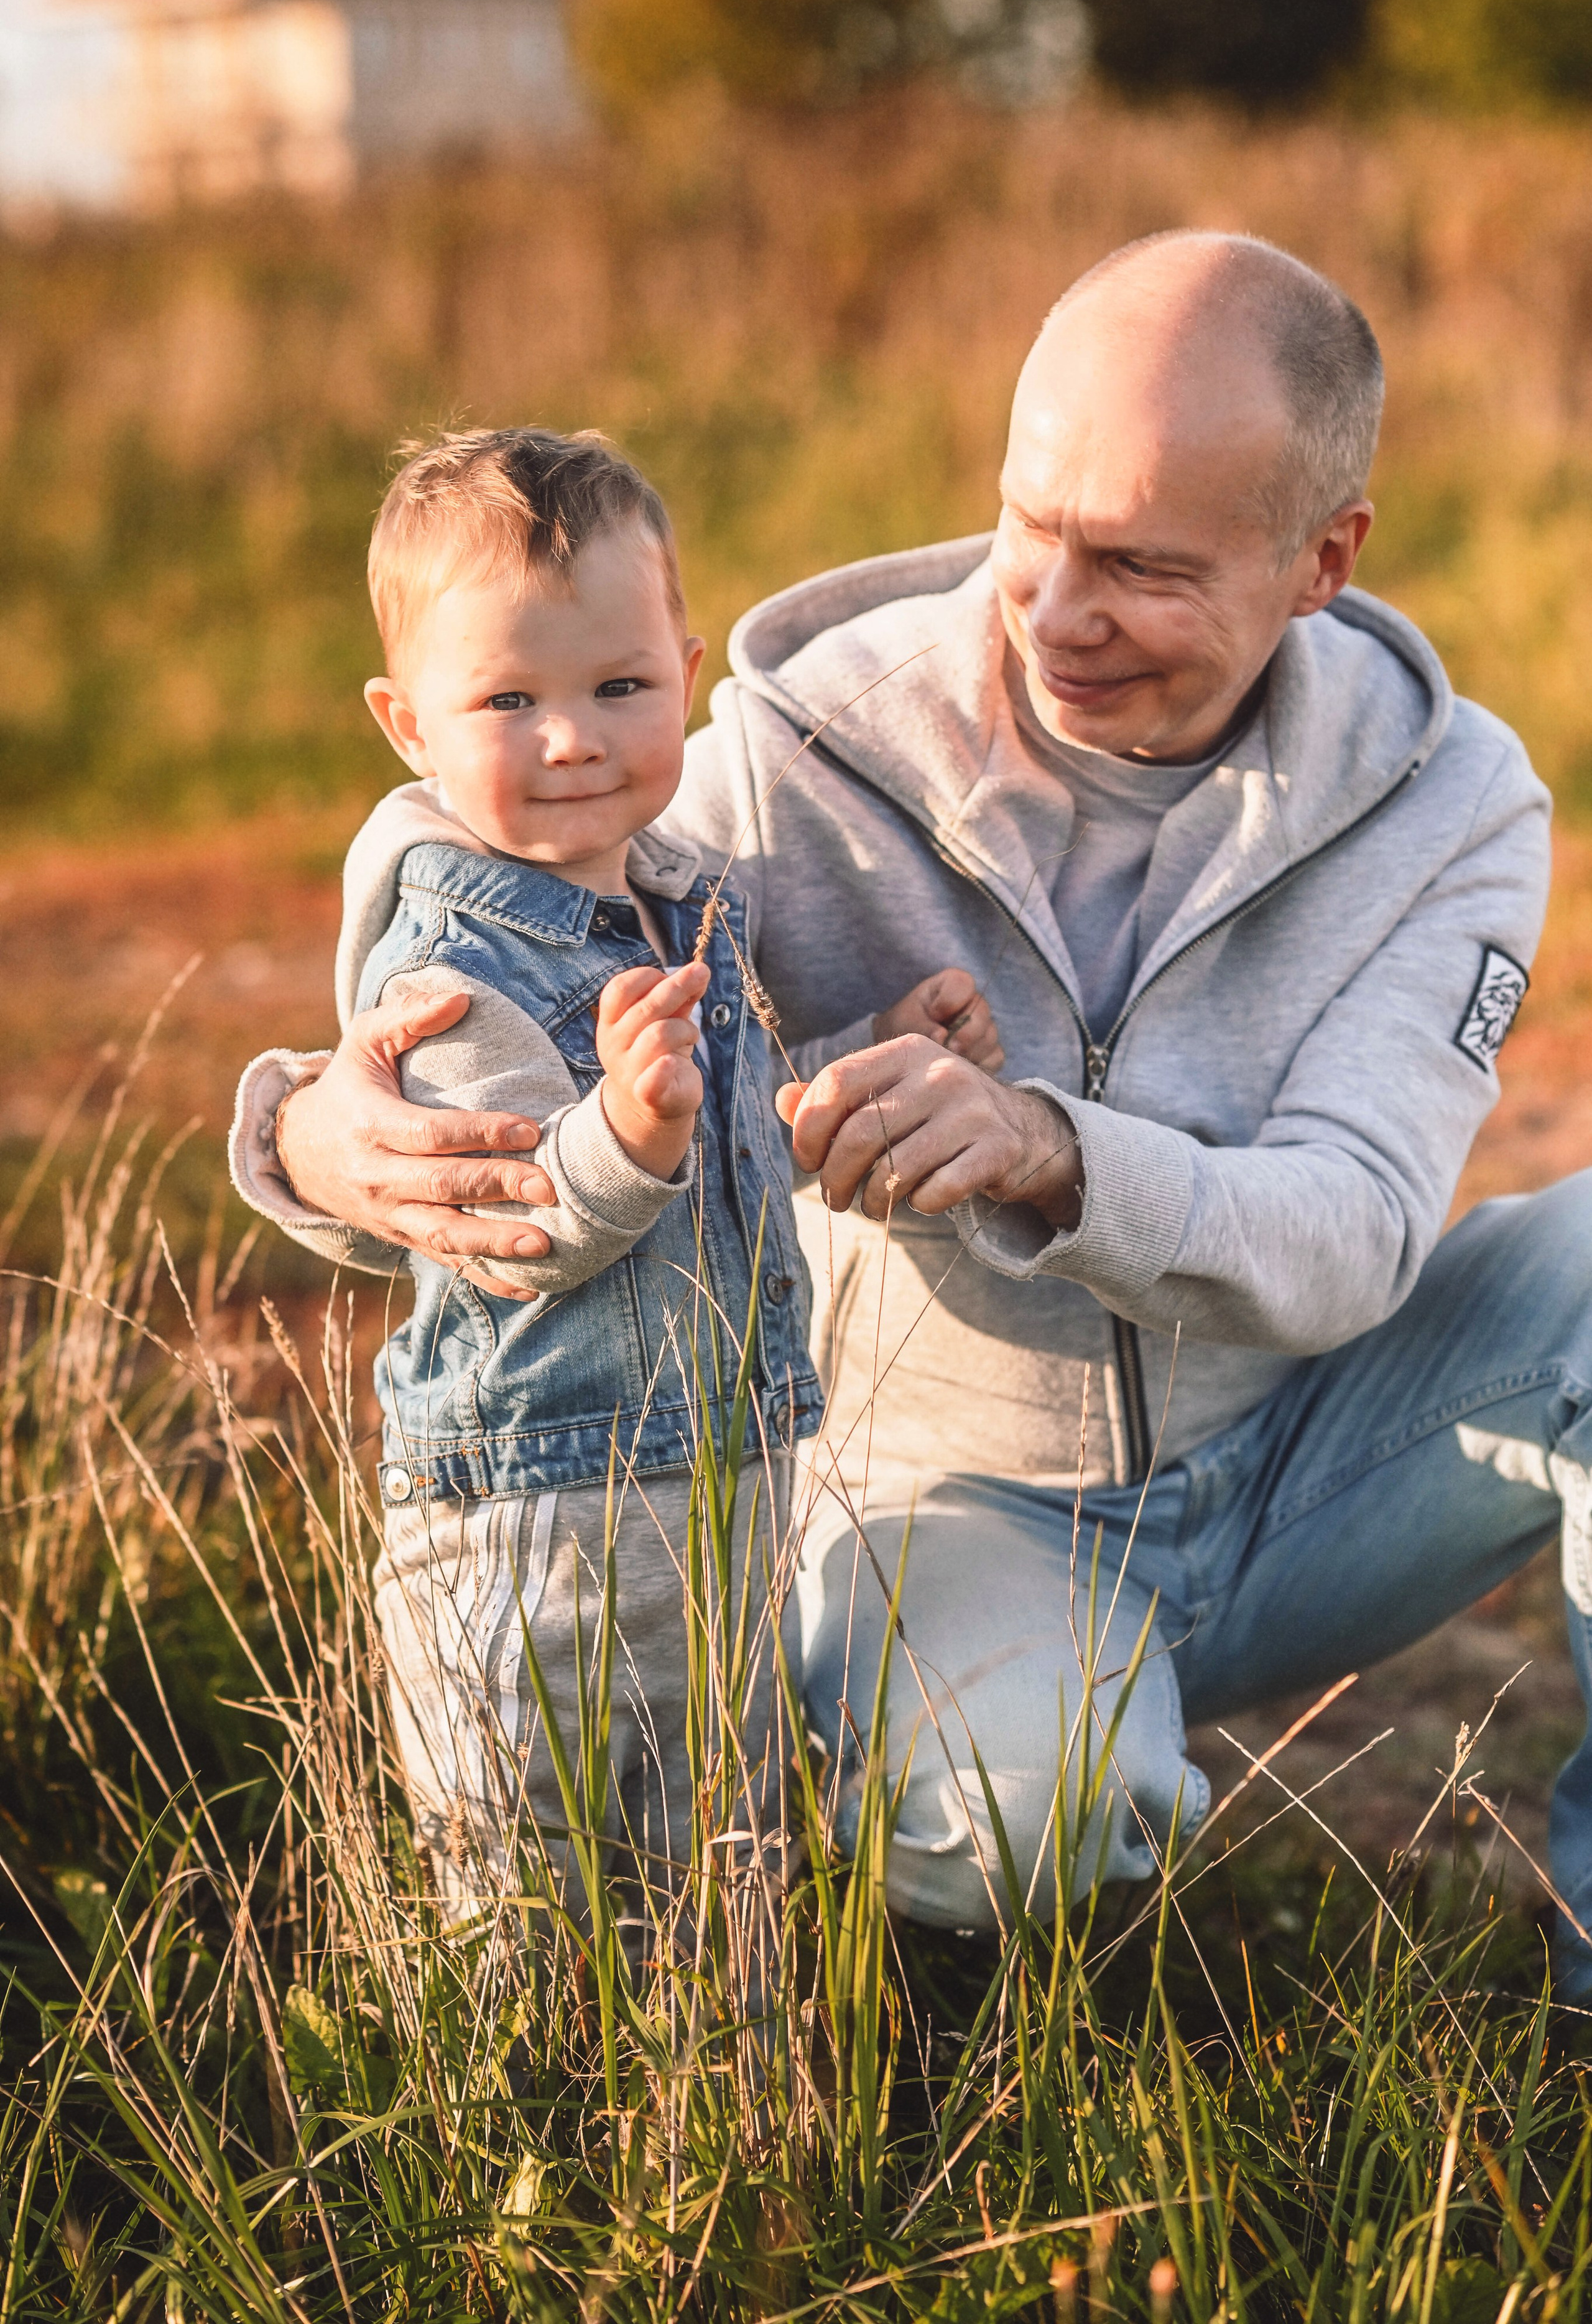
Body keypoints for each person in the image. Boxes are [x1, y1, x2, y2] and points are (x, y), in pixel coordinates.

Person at [234, 236, 1592, 1987]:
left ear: (1322, 557)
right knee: (1028, 1814)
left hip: (1316, 1468)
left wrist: (1048, 1150)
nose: (1056, 609)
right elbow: (473, 877)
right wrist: (305, 1134)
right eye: (1034, 523)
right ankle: (891, 1783)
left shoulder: (1450, 805)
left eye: (1142, 565)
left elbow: (1356, 1231)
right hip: (955, 1510)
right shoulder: (798, 754)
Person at [231, 424, 1000, 1918]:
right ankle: (521, 2070)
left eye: (619, 688)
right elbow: (514, 1217)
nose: (573, 737)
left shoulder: (677, 897)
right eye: (508, 700)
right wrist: (628, 1134)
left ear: (686, 674)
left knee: (725, 1847)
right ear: (406, 722)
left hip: (717, 1480)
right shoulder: (446, 969)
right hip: (532, 1519)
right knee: (532, 1875)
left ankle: (730, 2062)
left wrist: (869, 1048)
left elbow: (730, 1124)